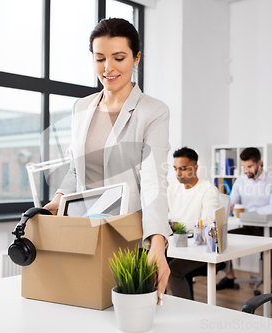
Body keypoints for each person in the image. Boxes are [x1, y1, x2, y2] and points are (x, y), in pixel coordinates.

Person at [44, 18, 172, 305]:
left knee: (125, 313)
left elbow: (153, 182)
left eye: (119, 58)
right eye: (100, 58)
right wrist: (58, 199)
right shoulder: (82, 107)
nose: (108, 68)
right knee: (78, 309)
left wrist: (158, 244)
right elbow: (75, 168)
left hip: (126, 237)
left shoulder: (153, 111)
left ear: (136, 58)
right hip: (81, 232)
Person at [216, 147, 272, 293]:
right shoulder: (240, 181)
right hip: (249, 226)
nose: (246, 170)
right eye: (244, 167)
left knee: (270, 244)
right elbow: (232, 201)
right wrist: (227, 206)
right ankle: (230, 277)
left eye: (250, 166)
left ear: (259, 163)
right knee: (224, 238)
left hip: (270, 227)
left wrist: (246, 212)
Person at [167, 147, 220, 300]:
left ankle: (186, 312)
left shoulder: (208, 190)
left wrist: (177, 226)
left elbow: (208, 223)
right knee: (154, 262)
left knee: (174, 270)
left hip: (202, 247)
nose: (178, 173)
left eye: (183, 169)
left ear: (195, 168)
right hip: (179, 244)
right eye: (175, 169)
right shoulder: (172, 191)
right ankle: (158, 308)